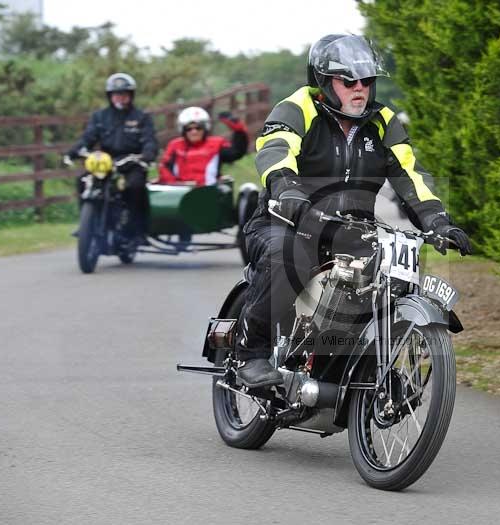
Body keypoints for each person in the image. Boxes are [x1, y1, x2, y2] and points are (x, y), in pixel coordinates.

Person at [234, 34, 472, 388]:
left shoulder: (383, 122)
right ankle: (251, 353)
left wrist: (438, 222)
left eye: (367, 81)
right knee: (287, 256)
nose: (360, 88)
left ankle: (357, 370)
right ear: (324, 82)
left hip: (349, 230)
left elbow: (410, 176)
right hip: (285, 219)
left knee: (390, 278)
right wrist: (287, 189)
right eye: (349, 81)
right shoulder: (298, 107)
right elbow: (276, 149)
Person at [67, 72, 158, 239]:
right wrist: (74, 151)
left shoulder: (141, 117)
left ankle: (136, 227)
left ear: (131, 95)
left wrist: (147, 154)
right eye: (116, 94)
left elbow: (149, 139)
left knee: (135, 186)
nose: (120, 98)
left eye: (123, 94)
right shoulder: (100, 117)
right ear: (110, 96)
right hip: (105, 162)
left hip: (132, 162)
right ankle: (86, 223)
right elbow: (88, 137)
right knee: (82, 180)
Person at [157, 107, 248, 186]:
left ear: (205, 128)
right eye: (189, 129)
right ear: (183, 130)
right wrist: (174, 184)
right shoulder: (175, 145)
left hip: (208, 193)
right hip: (181, 192)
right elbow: (164, 166)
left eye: (198, 128)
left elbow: (237, 152)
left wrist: (239, 130)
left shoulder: (216, 143)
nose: (194, 132)